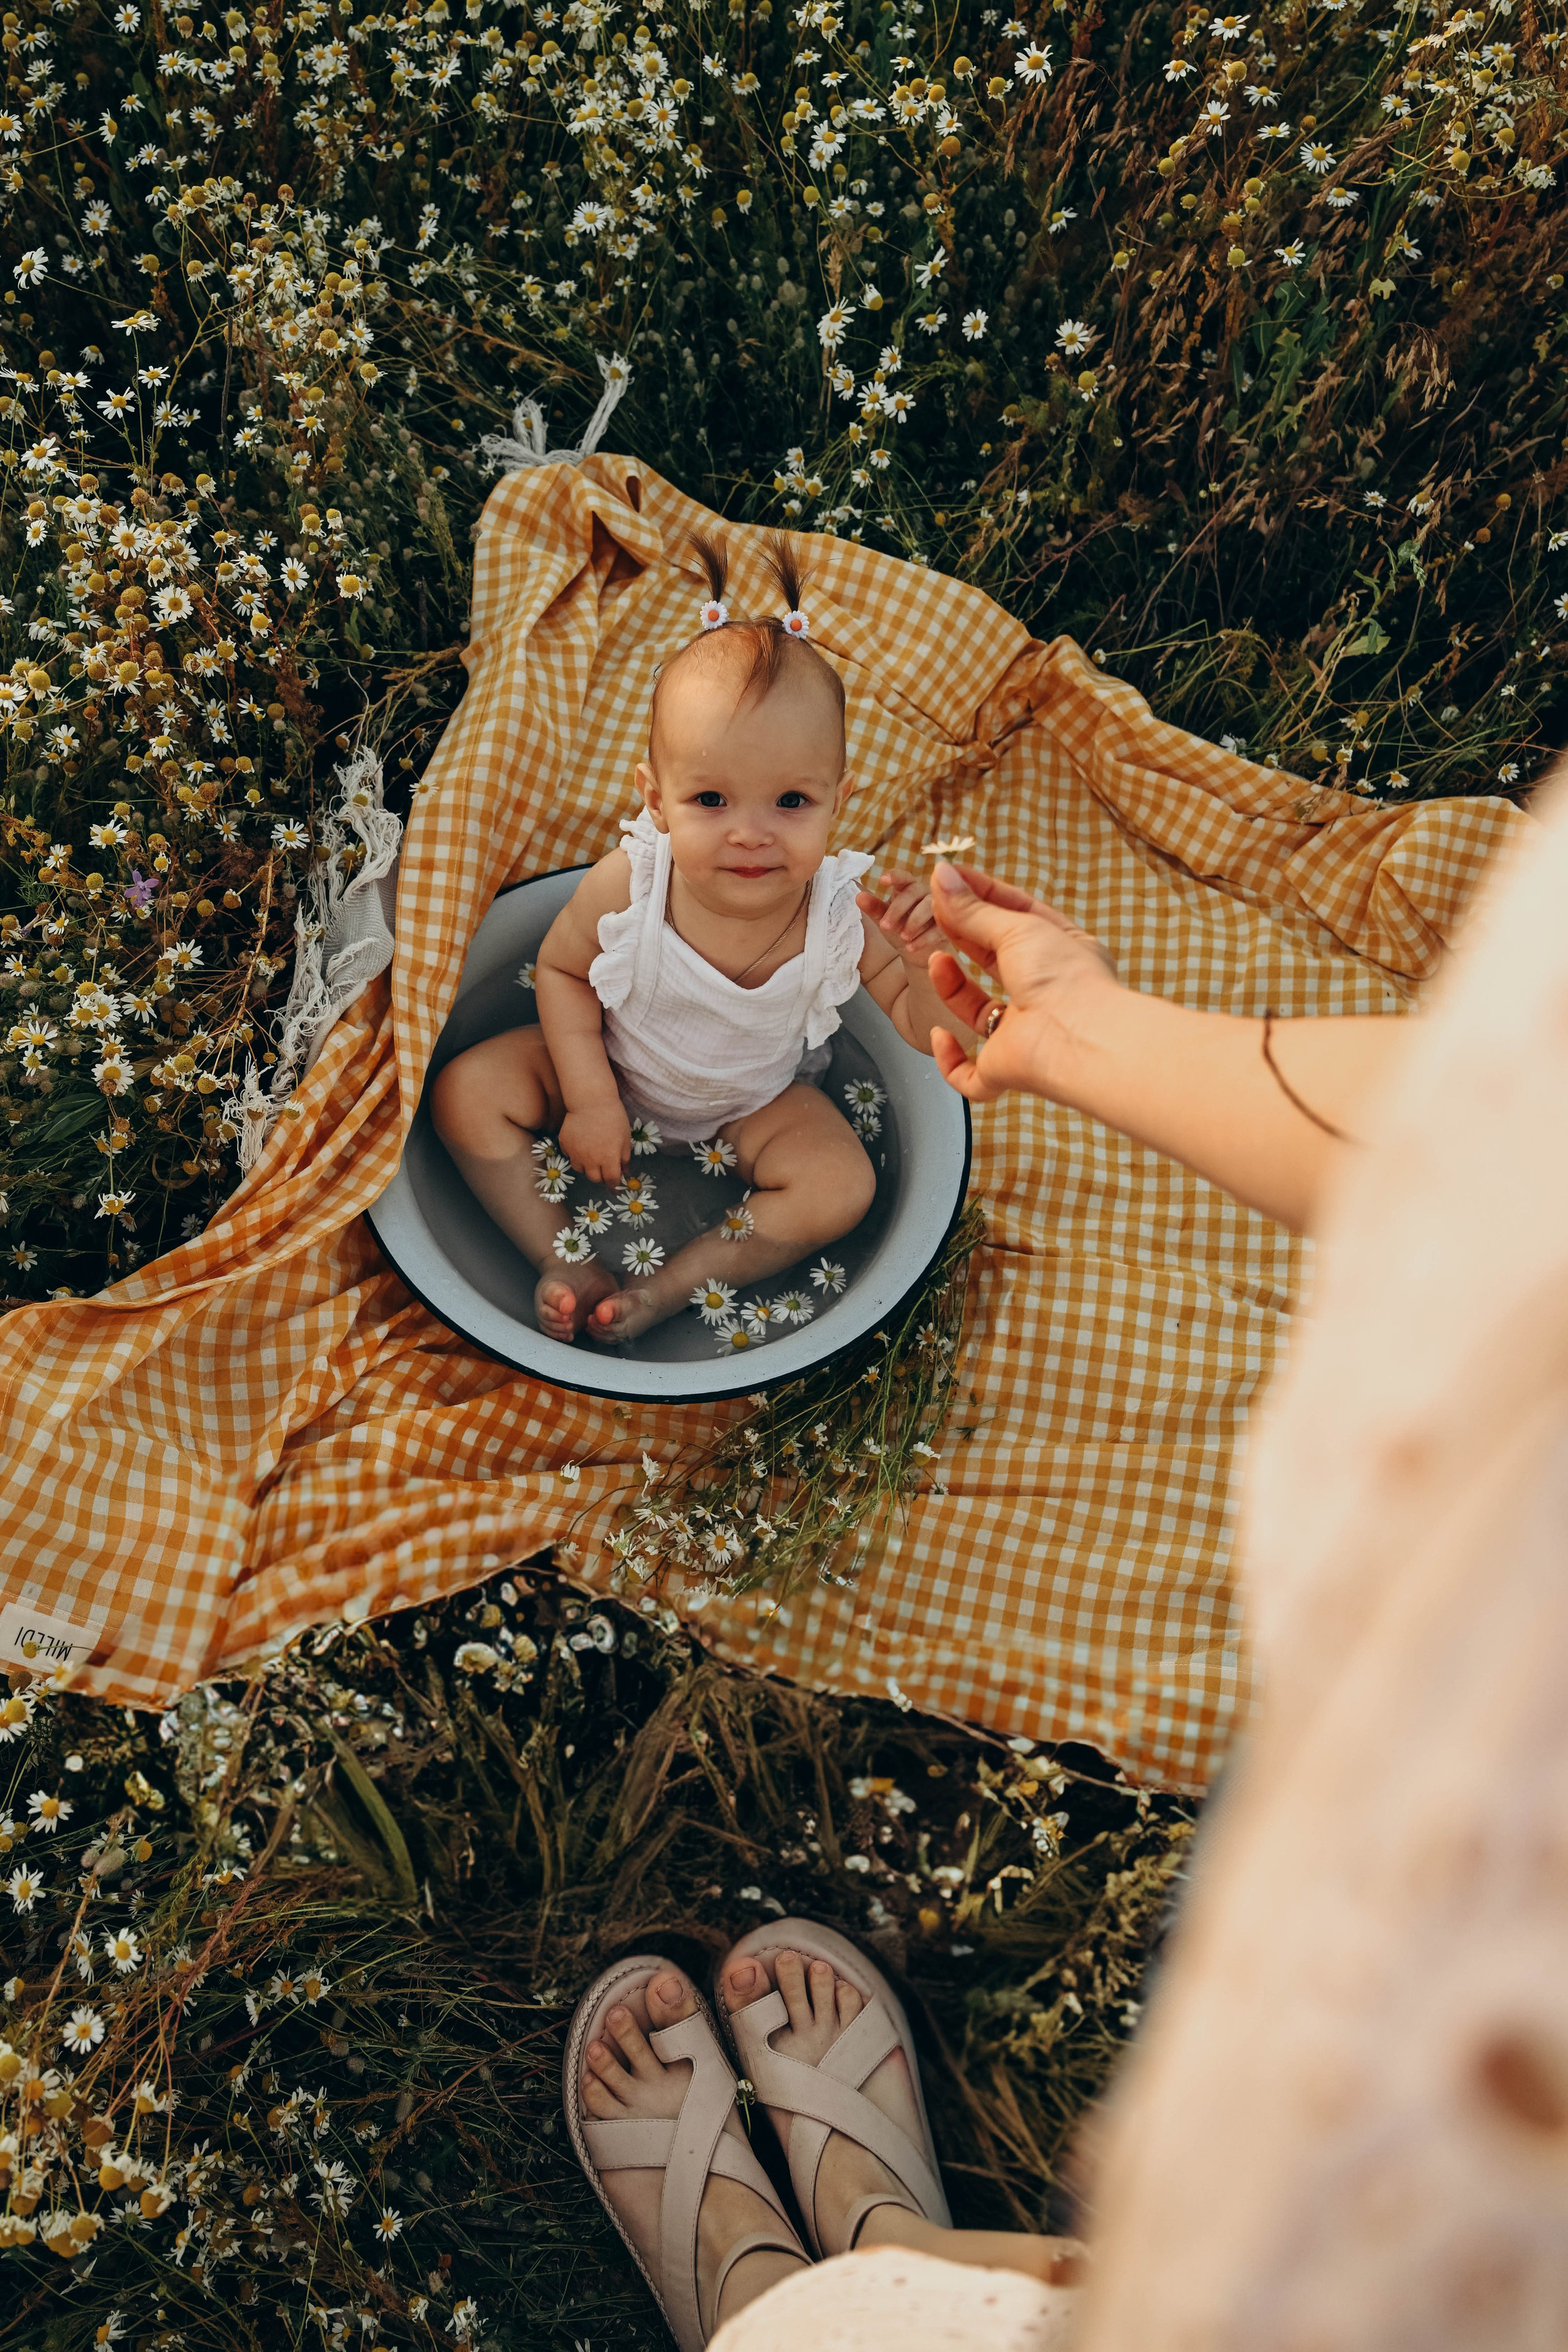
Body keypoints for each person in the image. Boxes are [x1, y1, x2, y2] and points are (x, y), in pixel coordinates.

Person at [429, 532, 971, 1349]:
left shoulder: (845, 909)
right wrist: (591, 1098)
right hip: (611, 1060)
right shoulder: (635, 882)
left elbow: (924, 1031)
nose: (751, 835)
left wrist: (934, 965)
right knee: (464, 1093)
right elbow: (566, 975)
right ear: (657, 800)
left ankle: (673, 1286)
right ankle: (561, 1256)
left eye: (791, 802)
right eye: (712, 799)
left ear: (838, 800)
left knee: (840, 1187)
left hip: (751, 1106)